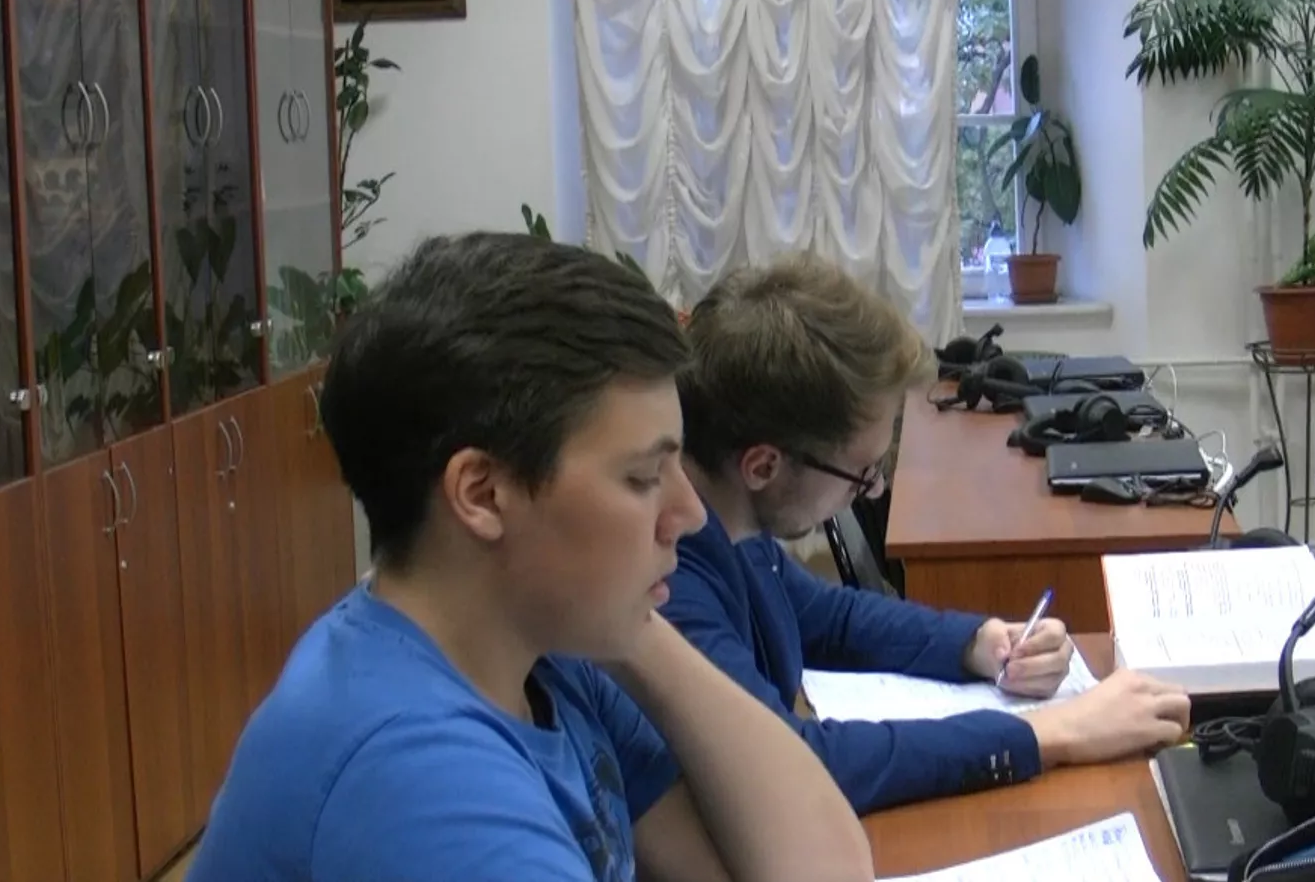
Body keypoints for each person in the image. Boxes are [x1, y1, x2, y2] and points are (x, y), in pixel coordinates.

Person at [188, 233, 872, 882]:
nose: (690, 515)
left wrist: (634, 631)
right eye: (642, 477)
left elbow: (823, 870)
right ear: (483, 494)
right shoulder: (416, 773)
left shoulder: (538, 656)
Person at [658, 255, 1192, 815]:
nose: (872, 490)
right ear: (763, 466)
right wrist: (1050, 733)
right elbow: (795, 765)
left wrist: (979, 642)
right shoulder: (667, 583)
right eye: (862, 472)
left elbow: (830, 619)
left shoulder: (731, 522)